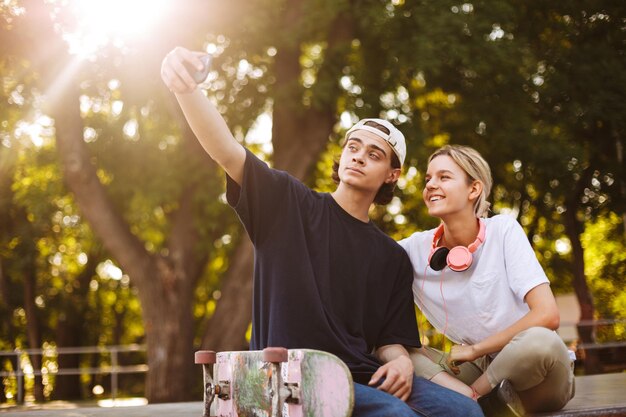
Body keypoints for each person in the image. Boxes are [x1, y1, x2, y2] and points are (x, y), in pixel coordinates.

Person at [160, 47, 483, 417]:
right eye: (353, 147)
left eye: (374, 154)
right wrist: (185, 88)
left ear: (392, 175)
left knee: (466, 413)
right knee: (397, 416)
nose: (359, 156)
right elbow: (227, 151)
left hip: (362, 378)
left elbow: (389, 341)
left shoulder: (392, 258)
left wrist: (402, 363)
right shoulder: (287, 204)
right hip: (289, 377)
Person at [399, 145, 575, 416]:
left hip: (537, 375)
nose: (431, 185)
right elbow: (368, 258)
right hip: (478, 372)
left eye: (444, 177)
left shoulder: (503, 230)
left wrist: (475, 350)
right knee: (396, 354)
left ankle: (472, 398)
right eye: (428, 179)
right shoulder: (412, 250)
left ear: (474, 189)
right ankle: (476, 399)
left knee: (542, 341)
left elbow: (547, 315)